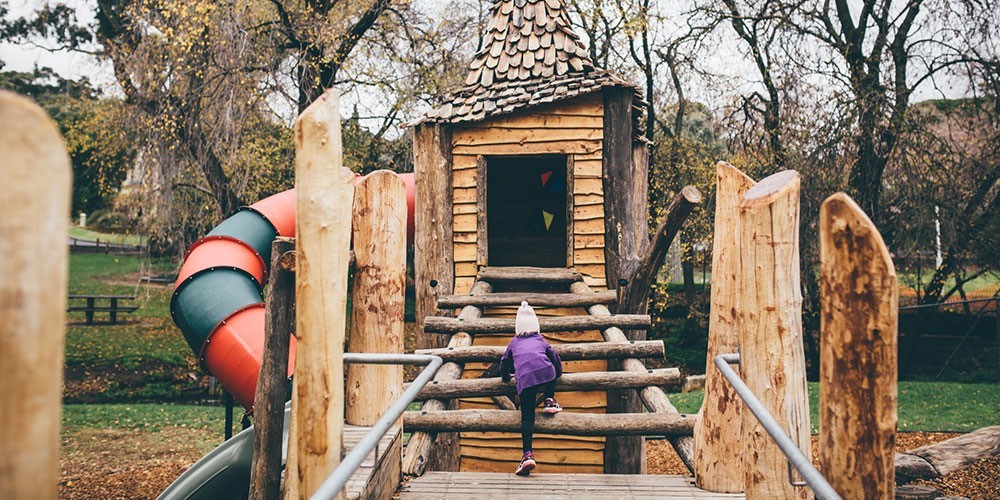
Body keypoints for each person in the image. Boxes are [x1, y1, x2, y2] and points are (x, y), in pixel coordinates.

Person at [499, 301, 564, 476]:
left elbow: (504, 363)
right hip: (545, 372)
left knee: (527, 419)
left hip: (526, 380)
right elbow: (554, 356)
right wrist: (558, 373)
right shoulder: (540, 339)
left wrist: (505, 377)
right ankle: (550, 399)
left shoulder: (514, 342)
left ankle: (527, 454)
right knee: (549, 368)